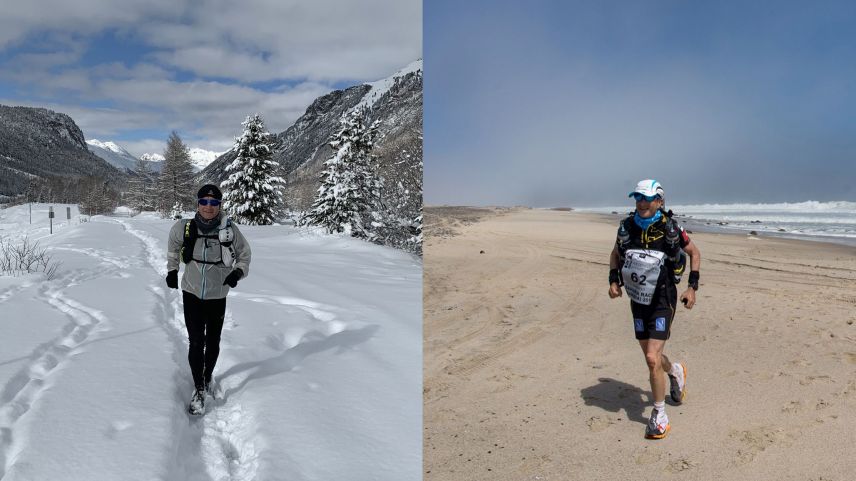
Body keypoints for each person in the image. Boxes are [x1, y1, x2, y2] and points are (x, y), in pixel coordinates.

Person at [608, 179, 701, 439]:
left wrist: (692, 288)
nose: (641, 203)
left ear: (659, 202)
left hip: (663, 298)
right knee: (654, 359)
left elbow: (694, 253)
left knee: (651, 358)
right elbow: (615, 254)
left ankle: (659, 416)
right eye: (638, 197)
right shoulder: (627, 227)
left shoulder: (671, 228)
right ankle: (675, 371)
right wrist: (613, 281)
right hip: (638, 299)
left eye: (647, 198)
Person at [165, 184, 251, 415]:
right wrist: (172, 270)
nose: (209, 207)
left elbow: (245, 255)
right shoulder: (184, 227)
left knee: (213, 341)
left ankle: (207, 375)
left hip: (217, 294)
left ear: (219, 205)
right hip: (191, 292)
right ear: (198, 203)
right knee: (196, 342)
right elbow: (173, 247)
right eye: (204, 201)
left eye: (214, 203)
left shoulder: (229, 230)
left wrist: (238, 273)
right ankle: (199, 388)